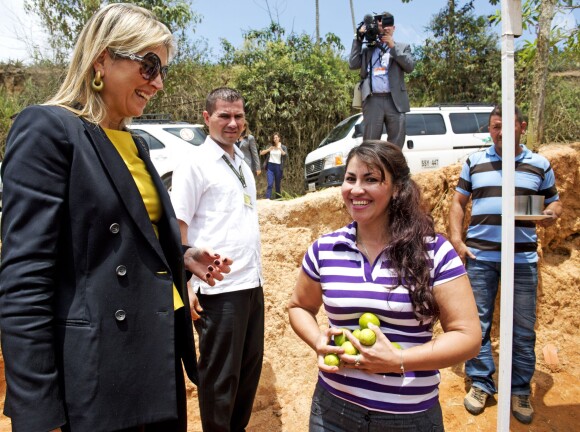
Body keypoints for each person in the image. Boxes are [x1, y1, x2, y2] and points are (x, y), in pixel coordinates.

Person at [0, 4, 233, 431]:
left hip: (155, 357)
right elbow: (25, 278)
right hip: (96, 375)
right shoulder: (48, 129)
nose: (158, 82)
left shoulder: (136, 143)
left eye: (162, 70)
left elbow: (119, 237)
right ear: (102, 58)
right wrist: (37, 409)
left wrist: (180, 255)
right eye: (149, 66)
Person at [288, 141, 481, 431]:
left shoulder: (434, 252)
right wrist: (318, 341)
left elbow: (468, 336)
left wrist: (398, 360)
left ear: (398, 189)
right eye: (350, 179)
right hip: (333, 411)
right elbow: (299, 306)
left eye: (371, 179)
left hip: (408, 418)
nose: (356, 189)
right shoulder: (325, 249)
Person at [449, 105, 562, 425]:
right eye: (495, 127)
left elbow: (554, 203)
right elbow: (458, 202)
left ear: (522, 127)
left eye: (507, 127)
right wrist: (457, 240)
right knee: (477, 324)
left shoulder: (539, 165)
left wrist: (551, 213)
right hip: (481, 259)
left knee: (523, 329)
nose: (500, 133)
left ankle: (520, 389)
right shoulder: (475, 162)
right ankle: (482, 383)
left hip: (522, 261)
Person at [171, 87, 264, 432]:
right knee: (219, 380)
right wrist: (187, 285)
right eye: (224, 115)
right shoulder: (193, 165)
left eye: (238, 115)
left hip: (251, 285)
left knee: (247, 373)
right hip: (216, 290)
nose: (233, 122)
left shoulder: (240, 160)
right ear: (207, 118)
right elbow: (178, 228)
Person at [349, 12, 415, 147]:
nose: (385, 28)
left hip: (395, 100)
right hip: (373, 100)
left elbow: (409, 66)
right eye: (381, 25)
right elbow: (353, 63)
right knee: (370, 143)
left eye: (388, 25)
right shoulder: (369, 49)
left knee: (396, 142)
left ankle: (392, 168)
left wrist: (393, 47)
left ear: (394, 28)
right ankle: (372, 167)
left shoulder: (402, 47)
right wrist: (358, 39)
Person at [260, 132, 287, 199]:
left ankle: (278, 199)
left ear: (279, 138)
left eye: (276, 137)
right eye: (274, 138)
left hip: (278, 167)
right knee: (270, 184)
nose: (275, 139)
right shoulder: (270, 146)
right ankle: (267, 200)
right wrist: (268, 149)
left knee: (277, 185)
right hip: (270, 166)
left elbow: (285, 155)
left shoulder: (283, 147)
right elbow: (261, 153)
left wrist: (280, 148)